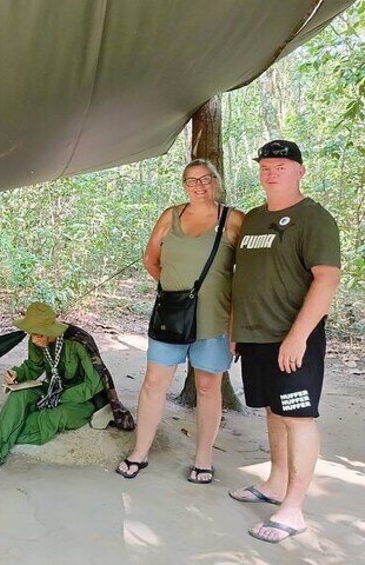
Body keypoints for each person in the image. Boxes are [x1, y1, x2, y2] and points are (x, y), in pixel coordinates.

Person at [228, 140, 340, 543]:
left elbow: (326, 280)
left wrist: (298, 336)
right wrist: (235, 330)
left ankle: (292, 509)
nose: (271, 172)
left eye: (280, 165)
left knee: (297, 418)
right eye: (265, 166)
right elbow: (245, 278)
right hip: (255, 337)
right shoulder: (255, 219)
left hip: (294, 338)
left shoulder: (314, 218)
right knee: (274, 412)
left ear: (299, 171)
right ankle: (274, 484)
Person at [117, 159, 244, 482]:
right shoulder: (171, 215)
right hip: (171, 317)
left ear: (215, 182)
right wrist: (175, 289)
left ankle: (203, 459)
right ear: (184, 185)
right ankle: (140, 452)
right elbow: (150, 258)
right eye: (191, 180)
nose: (198, 186)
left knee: (207, 386)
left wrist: (236, 321)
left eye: (205, 179)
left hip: (215, 320)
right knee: (154, 384)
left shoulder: (233, 220)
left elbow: (248, 273)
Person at [0, 303, 108, 466]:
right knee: (20, 394)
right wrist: (17, 373)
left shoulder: (77, 344)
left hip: (80, 401)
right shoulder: (37, 339)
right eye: (31, 334)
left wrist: (61, 397)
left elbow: (94, 383)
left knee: (48, 417)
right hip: (52, 390)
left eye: (38, 335)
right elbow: (34, 366)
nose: (33, 340)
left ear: (50, 331)